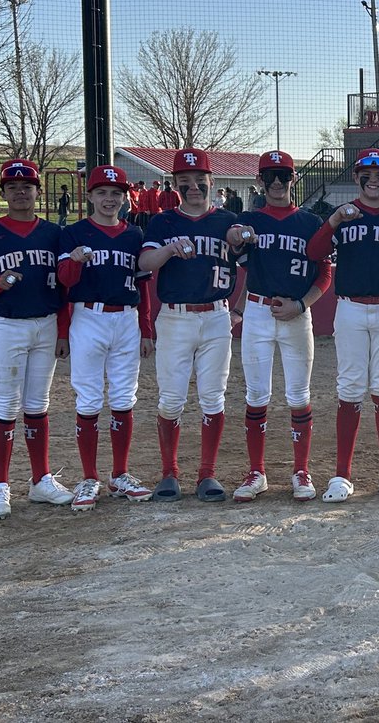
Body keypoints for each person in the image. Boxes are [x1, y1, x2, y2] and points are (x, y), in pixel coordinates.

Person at [308, 148, 379, 504]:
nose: (373, 181)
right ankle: (342, 474)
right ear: (356, 178)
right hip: (351, 308)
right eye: (366, 175)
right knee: (350, 386)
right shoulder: (345, 215)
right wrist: (334, 222)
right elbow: (314, 253)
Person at [0, 159, 72, 519]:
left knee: (38, 403)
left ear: (37, 192)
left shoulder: (53, 233)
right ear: (3, 192)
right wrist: (0, 282)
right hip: (6, 323)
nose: (20, 191)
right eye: (12, 187)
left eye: (27, 186)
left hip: (45, 323)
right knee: (6, 403)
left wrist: (62, 331)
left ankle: (41, 478)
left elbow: (64, 288)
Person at [226, 151, 332, 503]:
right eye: (269, 176)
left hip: (296, 315)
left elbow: (325, 274)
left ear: (293, 180)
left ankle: (301, 470)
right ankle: (257, 471)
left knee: (298, 396)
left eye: (283, 176)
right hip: (257, 312)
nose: (276, 183)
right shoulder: (250, 219)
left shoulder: (310, 223)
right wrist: (238, 235)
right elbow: (235, 245)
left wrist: (301, 304)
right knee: (257, 395)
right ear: (260, 180)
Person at [138, 149, 240, 502]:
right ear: (175, 186)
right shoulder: (163, 221)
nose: (193, 188)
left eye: (200, 182)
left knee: (213, 396)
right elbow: (145, 261)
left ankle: (207, 474)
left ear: (212, 183)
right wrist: (169, 250)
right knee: (171, 399)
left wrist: (238, 308)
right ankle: (169, 473)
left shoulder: (228, 220)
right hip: (176, 316)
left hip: (216, 315)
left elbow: (255, 264)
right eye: (185, 183)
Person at [57, 165, 156, 510]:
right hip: (87, 317)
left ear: (125, 197)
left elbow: (143, 287)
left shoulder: (133, 235)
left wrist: (146, 328)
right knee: (87, 398)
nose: (110, 199)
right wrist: (74, 261)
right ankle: (88, 477)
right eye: (102, 192)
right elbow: (64, 282)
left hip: (126, 320)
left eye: (116, 193)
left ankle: (120, 473)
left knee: (124, 396)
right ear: (89, 196)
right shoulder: (74, 233)